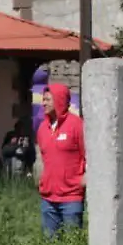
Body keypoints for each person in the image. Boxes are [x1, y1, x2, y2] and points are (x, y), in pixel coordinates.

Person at [36, 83, 86, 237]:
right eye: (43, 99)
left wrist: (84, 178)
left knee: (73, 244)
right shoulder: (42, 128)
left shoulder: (77, 125)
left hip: (71, 197)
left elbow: (89, 155)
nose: (43, 103)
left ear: (59, 100)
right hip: (48, 199)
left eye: (47, 100)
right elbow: (42, 158)